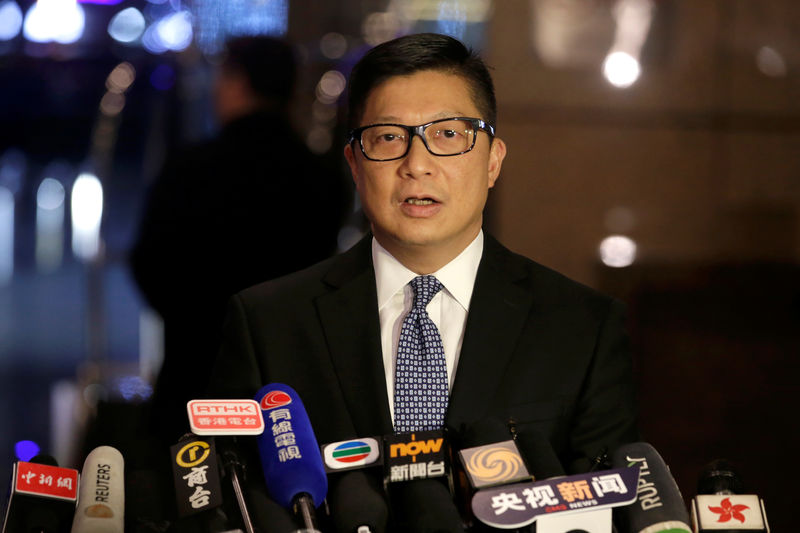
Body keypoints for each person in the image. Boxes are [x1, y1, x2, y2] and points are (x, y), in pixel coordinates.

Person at [208, 33, 638, 531]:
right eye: (389, 137)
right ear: (353, 163)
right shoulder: (269, 322)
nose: (417, 164)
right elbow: (234, 500)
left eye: (449, 135)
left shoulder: (582, 327)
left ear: (494, 159)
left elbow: (612, 504)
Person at [130, 36, 348, 446]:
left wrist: (193, 314)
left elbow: (149, 264)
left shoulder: (190, 169)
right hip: (287, 382)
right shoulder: (321, 177)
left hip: (194, 368)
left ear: (238, 82)